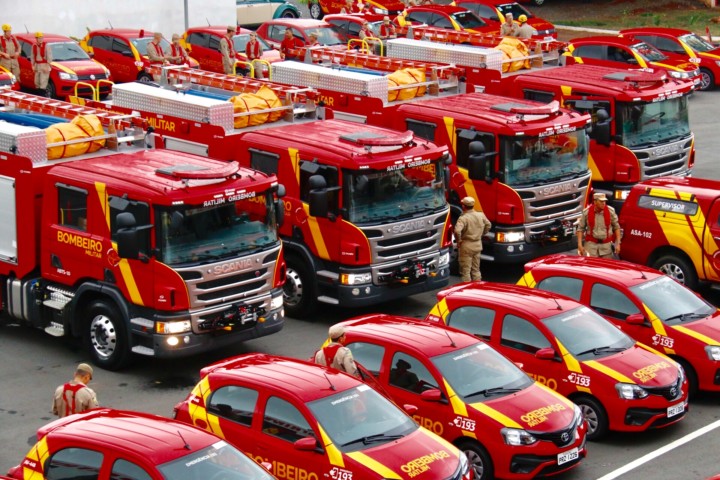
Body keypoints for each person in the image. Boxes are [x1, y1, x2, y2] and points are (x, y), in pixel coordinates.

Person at [454, 196, 491, 282]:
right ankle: (477, 286)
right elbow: (488, 225)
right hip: (477, 244)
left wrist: (459, 241)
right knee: (476, 269)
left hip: (466, 246)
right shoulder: (480, 215)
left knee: (465, 271)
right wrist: (481, 234)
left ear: (463, 206)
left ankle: (467, 287)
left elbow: (457, 231)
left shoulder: (463, 218)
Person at [577, 192, 620, 258]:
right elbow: (580, 229)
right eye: (601, 201)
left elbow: (616, 227)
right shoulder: (587, 212)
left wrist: (618, 243)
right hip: (591, 246)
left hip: (606, 247)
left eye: (604, 201)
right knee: (591, 263)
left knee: (606, 264)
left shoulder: (610, 211)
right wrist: (579, 244)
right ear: (595, 202)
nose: (603, 203)